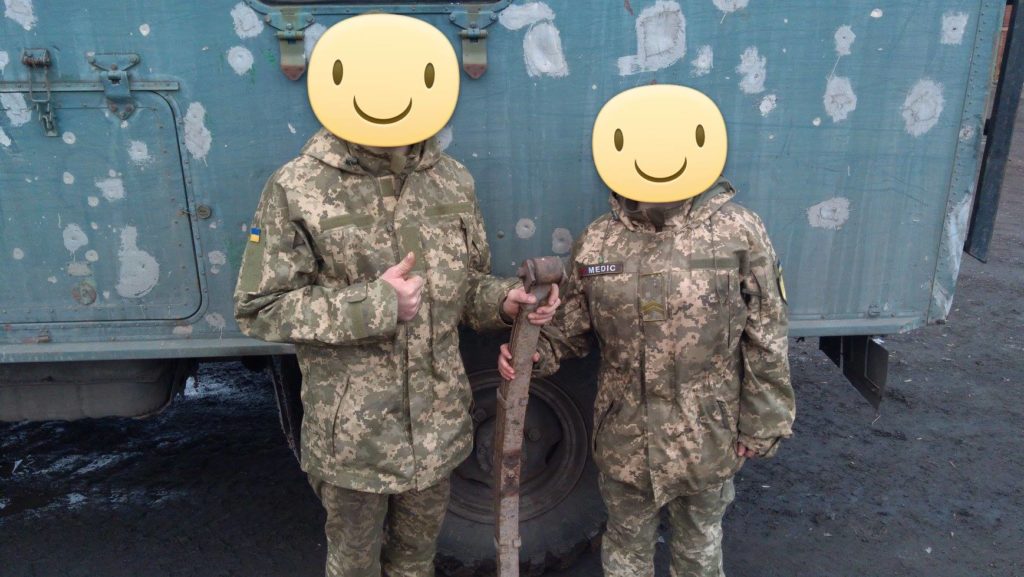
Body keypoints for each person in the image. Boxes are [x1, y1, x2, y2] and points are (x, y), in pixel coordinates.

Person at [234, 14, 558, 577]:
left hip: (437, 427)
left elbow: (467, 287)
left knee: (415, 563)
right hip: (354, 439)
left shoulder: (451, 180)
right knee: (354, 567)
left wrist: (506, 301)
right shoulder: (298, 186)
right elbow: (260, 309)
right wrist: (376, 305)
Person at [499, 85, 795, 577]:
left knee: (699, 553)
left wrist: (763, 421)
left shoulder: (738, 233)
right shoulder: (599, 242)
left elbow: (766, 331)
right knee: (625, 551)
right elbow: (570, 328)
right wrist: (532, 353)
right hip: (626, 436)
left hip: (707, 432)